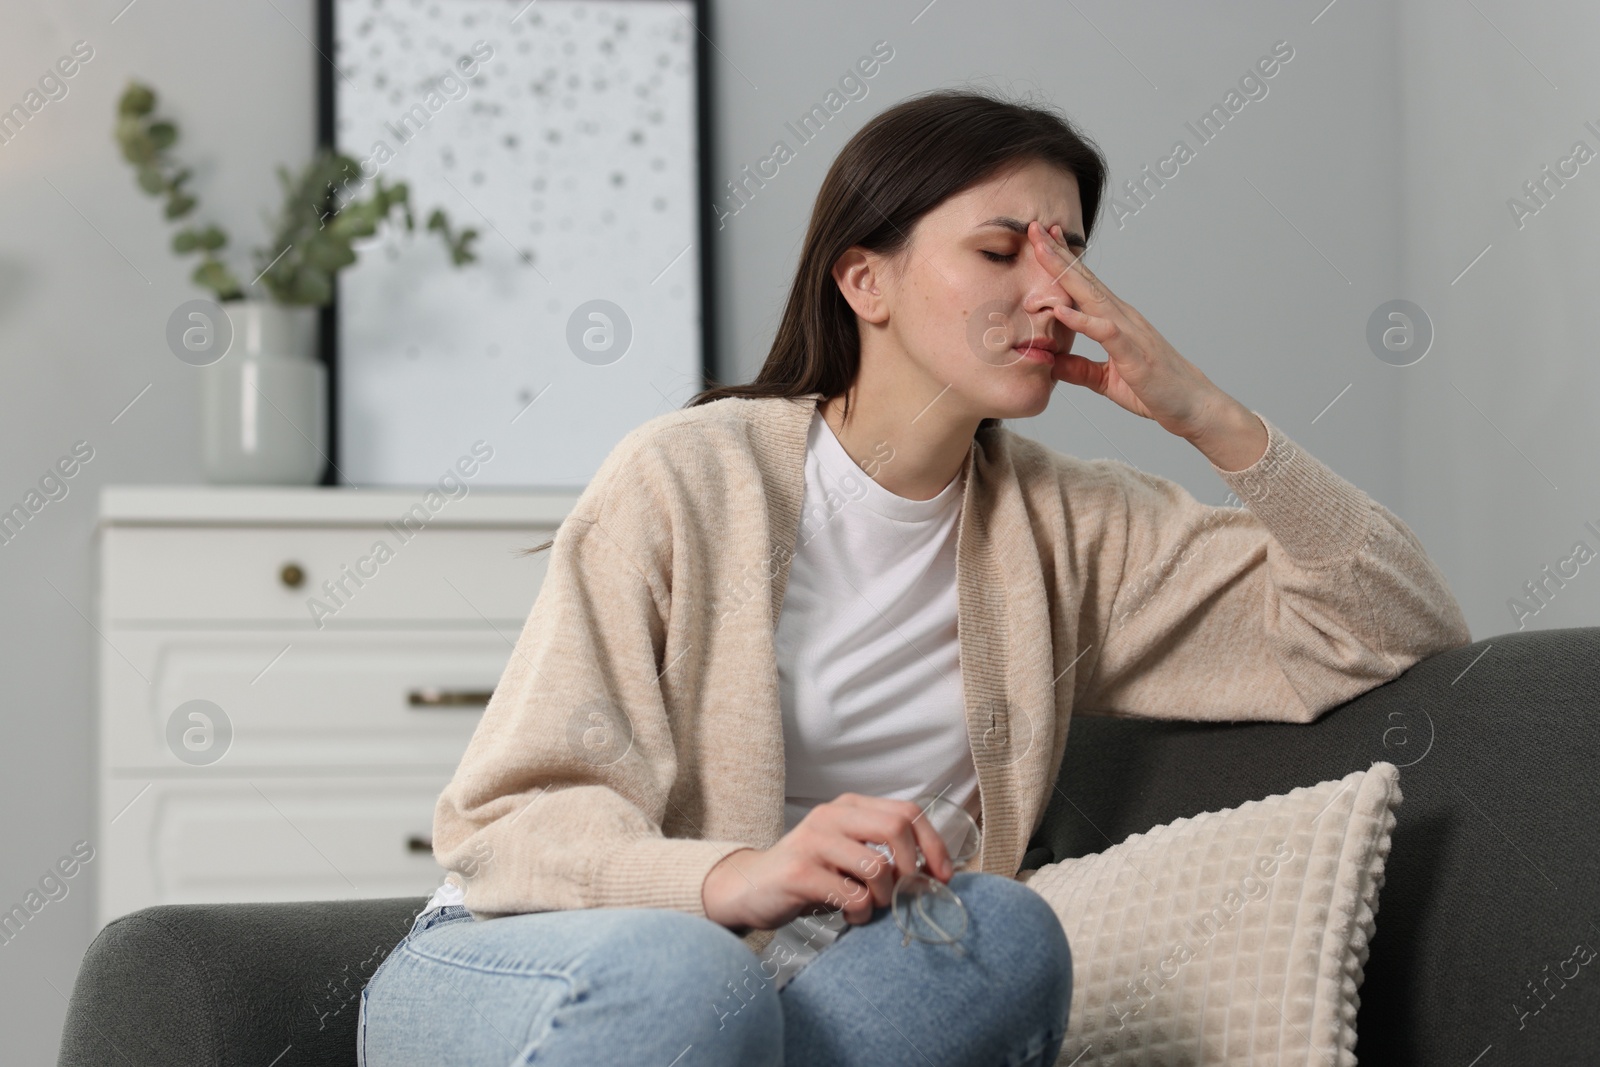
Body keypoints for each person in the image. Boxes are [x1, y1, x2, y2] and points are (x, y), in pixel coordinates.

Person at [356, 87, 1471, 1067]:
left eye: (1070, 251)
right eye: (1001, 250)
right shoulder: (686, 475)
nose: (1054, 291)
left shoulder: (1073, 527)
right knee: (689, 981)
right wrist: (732, 875)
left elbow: (1384, 618)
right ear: (864, 280)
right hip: (537, 956)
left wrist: (1201, 409)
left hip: (803, 995)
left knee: (1002, 930)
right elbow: (507, 820)